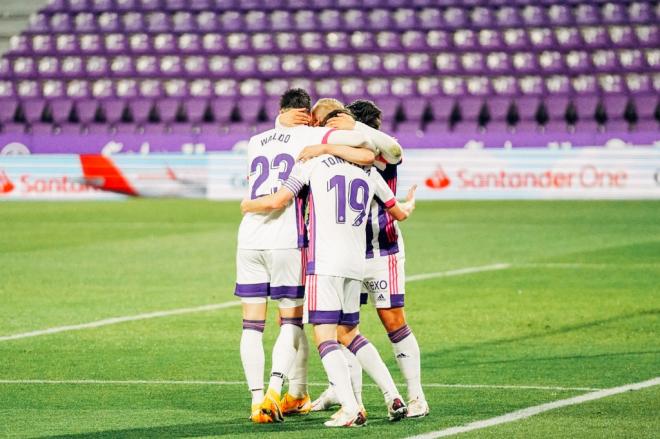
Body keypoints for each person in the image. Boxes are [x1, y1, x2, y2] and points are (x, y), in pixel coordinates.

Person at [241, 150, 416, 427]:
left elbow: (280, 198)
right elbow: (400, 212)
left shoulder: (314, 164)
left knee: (325, 336)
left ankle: (351, 407)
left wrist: (248, 204)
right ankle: (393, 395)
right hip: (356, 262)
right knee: (349, 333)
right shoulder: (368, 170)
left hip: (324, 263)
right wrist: (410, 204)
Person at [235, 88, 373, 423]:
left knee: (252, 325)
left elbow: (274, 141)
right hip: (287, 239)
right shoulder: (313, 135)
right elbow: (365, 145)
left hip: (249, 237)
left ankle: (268, 398)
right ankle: (275, 391)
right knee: (291, 321)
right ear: (307, 114)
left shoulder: (256, 140)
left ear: (281, 109)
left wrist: (281, 119)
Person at [301, 100, 430, 418]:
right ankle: (342, 391)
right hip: (351, 251)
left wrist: (350, 129)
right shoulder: (341, 154)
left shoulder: (379, 152)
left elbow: (395, 151)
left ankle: (416, 397)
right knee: (343, 328)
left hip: (383, 248)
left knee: (393, 321)